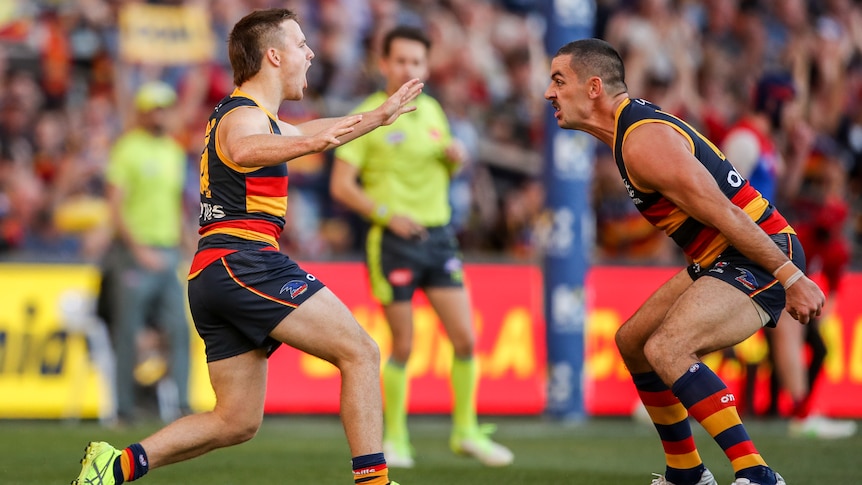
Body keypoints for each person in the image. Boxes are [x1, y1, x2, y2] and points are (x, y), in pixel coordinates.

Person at [72, 8, 423, 485]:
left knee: (236, 421)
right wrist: (313, 144)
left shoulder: (256, 117)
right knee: (360, 352)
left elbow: (311, 127)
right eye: (301, 44)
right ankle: (375, 482)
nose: (311, 52)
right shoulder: (242, 115)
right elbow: (244, 149)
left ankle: (114, 465)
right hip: (244, 262)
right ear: (274, 56)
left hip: (215, 271)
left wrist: (377, 117)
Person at [544, 38, 825, 485]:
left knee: (667, 348)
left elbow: (726, 212)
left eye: (559, 81)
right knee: (634, 341)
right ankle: (686, 473)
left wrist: (792, 276)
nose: (549, 93)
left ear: (594, 87)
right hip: (722, 256)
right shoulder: (630, 131)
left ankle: (757, 474)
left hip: (758, 253)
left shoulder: (642, 142)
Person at [330, 25, 513, 468]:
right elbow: (341, 186)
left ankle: (466, 431)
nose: (409, 68)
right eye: (401, 60)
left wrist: (453, 162)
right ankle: (394, 438)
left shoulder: (432, 111)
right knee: (404, 344)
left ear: (426, 67)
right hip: (394, 241)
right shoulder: (367, 114)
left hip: (438, 237)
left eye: (417, 61)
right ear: (383, 63)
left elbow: (440, 173)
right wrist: (387, 215)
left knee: (466, 338)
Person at [100, 80, 191, 424]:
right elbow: (115, 206)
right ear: (141, 111)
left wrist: (186, 244)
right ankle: (124, 407)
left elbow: (174, 204)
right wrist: (137, 249)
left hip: (166, 250)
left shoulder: (172, 149)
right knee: (128, 330)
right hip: (133, 252)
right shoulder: (128, 149)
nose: (160, 114)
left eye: (164, 107)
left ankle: (182, 403)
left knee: (179, 329)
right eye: (154, 107)